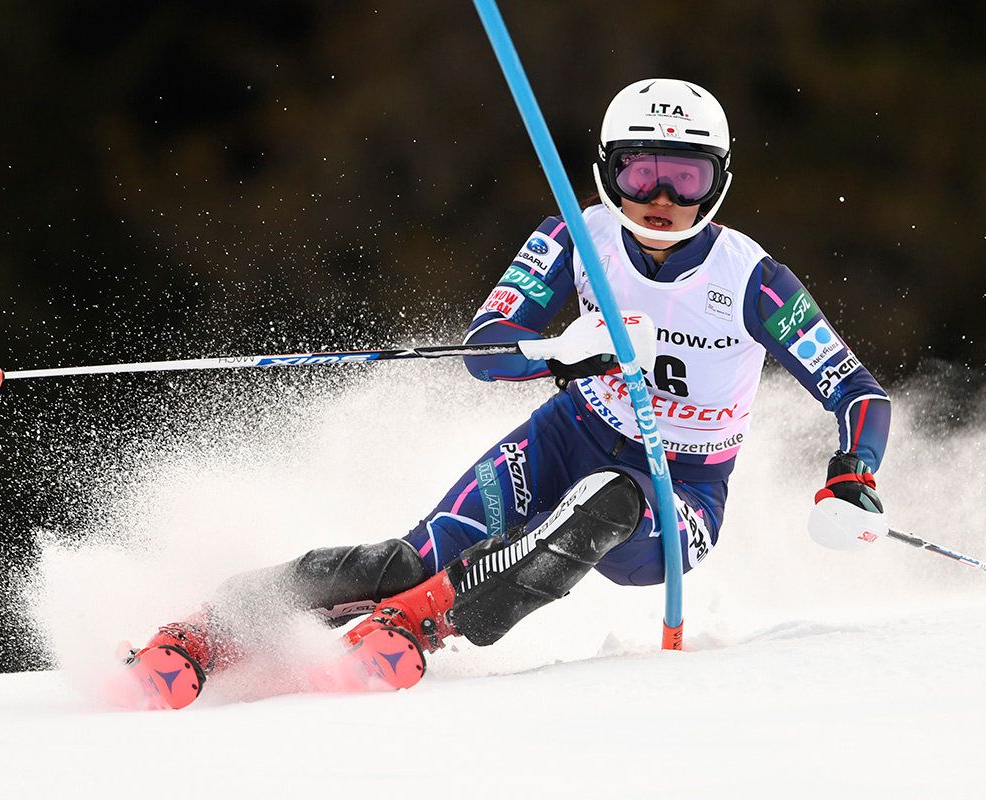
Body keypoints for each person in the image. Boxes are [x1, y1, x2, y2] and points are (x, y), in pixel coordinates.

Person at [122, 78, 890, 710]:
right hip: (566, 434)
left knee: (607, 504)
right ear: (606, 170)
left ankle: (422, 627)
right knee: (407, 557)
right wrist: (562, 355)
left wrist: (853, 475)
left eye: (684, 177)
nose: (660, 196)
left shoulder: (752, 281)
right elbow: (485, 348)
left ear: (717, 182)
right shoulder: (573, 236)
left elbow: (858, 392)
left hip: (679, 485)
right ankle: (207, 630)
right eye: (639, 171)